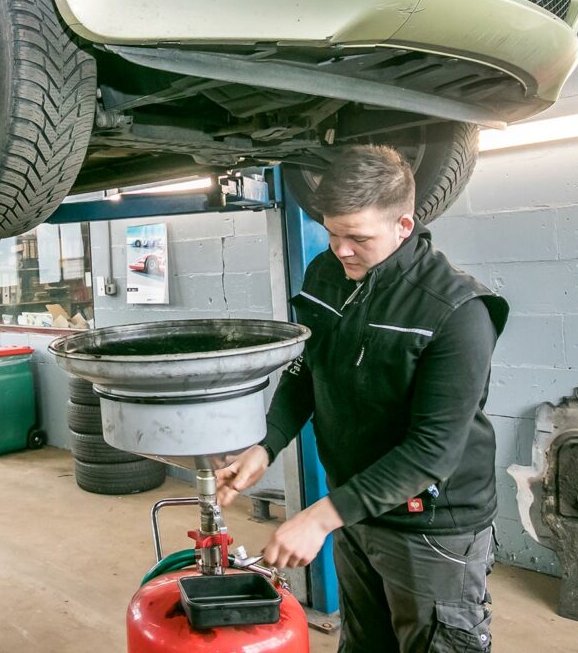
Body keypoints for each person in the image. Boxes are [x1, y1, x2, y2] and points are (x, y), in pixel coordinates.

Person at [217, 145, 508, 652]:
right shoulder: (326, 274)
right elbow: (307, 371)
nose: (341, 249)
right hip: (357, 510)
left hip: (431, 528)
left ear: (403, 224)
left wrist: (319, 517)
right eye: (332, 232)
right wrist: (267, 445)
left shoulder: (458, 311)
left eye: (358, 237)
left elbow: (432, 451)